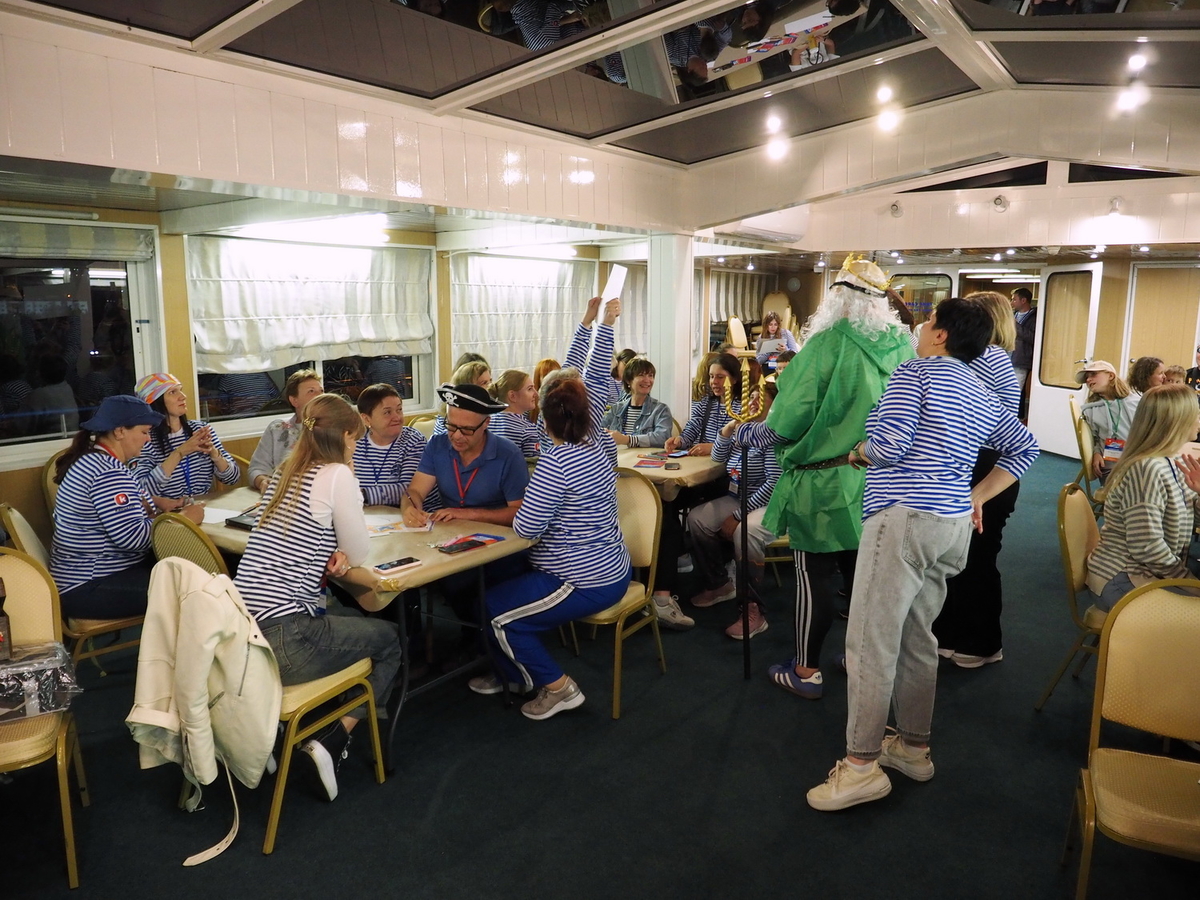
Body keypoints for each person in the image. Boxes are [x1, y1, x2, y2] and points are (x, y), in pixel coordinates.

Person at [806, 296, 1038, 812]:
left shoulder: (915, 373)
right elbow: (1026, 448)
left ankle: (861, 767)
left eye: (929, 320)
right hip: (950, 528)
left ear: (941, 335)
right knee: (917, 638)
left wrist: (858, 452)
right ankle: (912, 748)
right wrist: (976, 496)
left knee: (869, 644)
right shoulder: (980, 388)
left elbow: (889, 446)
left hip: (903, 519)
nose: (921, 326)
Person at [733, 256, 914, 701]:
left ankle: (805, 670)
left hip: (825, 482)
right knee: (863, 579)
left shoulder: (827, 343)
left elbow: (785, 423)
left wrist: (746, 434)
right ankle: (858, 659)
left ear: (840, 298)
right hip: (880, 480)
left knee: (813, 579)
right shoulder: (903, 345)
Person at [469, 297, 632, 720]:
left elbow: (526, 528)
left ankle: (558, 687)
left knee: (497, 612)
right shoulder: (594, 435)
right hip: (609, 565)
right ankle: (515, 673)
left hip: (583, 578)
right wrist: (596, 324)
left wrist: (598, 323)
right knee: (496, 582)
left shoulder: (556, 462)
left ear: (543, 416)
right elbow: (582, 375)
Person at [234, 393, 401, 803]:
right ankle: (334, 736)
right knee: (390, 641)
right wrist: (349, 474)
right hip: (287, 639)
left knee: (348, 615)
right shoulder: (337, 474)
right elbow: (358, 552)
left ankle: (276, 730)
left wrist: (332, 547)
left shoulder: (285, 471)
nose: (356, 446)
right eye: (355, 439)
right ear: (345, 436)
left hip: (243, 635)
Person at [50, 394, 205, 618]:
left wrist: (155, 505)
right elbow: (133, 538)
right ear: (120, 431)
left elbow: (126, 511)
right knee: (199, 587)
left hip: (88, 575)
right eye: (144, 432)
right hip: (90, 584)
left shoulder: (95, 460)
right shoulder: (108, 473)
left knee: (187, 568)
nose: (148, 439)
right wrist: (184, 519)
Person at [931, 292, 1022, 668]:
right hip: (983, 462)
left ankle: (984, 643)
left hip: (989, 466)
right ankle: (951, 633)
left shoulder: (985, 357)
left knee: (977, 558)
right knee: (959, 557)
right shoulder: (991, 357)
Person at [1086, 384, 1200, 616]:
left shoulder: (1173, 460)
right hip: (1122, 575)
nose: (1199, 420)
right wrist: (1189, 581)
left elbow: (1193, 517)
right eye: (1196, 414)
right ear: (1177, 421)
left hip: (1150, 569)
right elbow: (1147, 547)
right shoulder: (1147, 469)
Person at [689, 378, 780, 640]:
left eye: (760, 399)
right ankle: (719, 583)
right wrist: (729, 428)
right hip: (738, 495)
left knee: (745, 533)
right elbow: (718, 457)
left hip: (766, 502)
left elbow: (773, 483)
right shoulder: (744, 429)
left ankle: (753, 609)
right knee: (697, 519)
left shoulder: (772, 433)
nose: (753, 402)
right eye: (751, 397)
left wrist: (739, 516)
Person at [131, 373, 240, 500]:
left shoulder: (200, 430)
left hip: (204, 506)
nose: (183, 396)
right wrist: (180, 452)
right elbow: (142, 491)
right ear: (155, 402)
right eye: (173, 392)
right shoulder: (145, 439)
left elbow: (233, 478)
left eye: (180, 390)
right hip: (167, 509)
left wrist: (214, 454)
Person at [352, 382, 428, 506]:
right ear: (366, 419)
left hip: (410, 514)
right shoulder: (355, 443)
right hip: (367, 514)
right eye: (387, 412)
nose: (397, 417)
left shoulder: (414, 441)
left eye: (399, 410)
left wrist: (362, 495)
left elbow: (409, 490)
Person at [247, 369, 323, 492]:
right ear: (294, 401)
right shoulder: (277, 428)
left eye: (321, 391)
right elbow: (256, 468)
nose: (320, 396)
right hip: (281, 495)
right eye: (311, 391)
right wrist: (262, 482)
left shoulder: (332, 429)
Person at [1077, 360, 1139, 483]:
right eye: (1086, 377)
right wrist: (1096, 453)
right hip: (1109, 463)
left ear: (1110, 376)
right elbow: (1093, 438)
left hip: (1136, 460)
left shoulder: (1136, 403)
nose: (1088, 380)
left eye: (1093, 374)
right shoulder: (1090, 409)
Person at [602, 357, 673, 448]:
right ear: (628, 380)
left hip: (644, 457)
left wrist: (627, 439)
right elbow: (598, 430)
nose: (647, 380)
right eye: (641, 375)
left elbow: (662, 438)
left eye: (650, 375)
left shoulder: (661, 410)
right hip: (616, 455)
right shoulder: (616, 409)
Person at [488, 369, 545, 457]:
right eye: (529, 389)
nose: (536, 393)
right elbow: (533, 464)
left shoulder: (487, 422)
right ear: (512, 396)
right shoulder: (526, 429)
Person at [432, 361, 492, 436]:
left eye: (490, 381)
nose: (490, 386)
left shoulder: (486, 415)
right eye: (484, 383)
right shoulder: (447, 418)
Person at [1010, 287, 1036, 418]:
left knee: (1014, 392)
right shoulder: (1013, 314)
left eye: (1014, 299)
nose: (1012, 302)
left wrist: (1015, 325)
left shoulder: (1034, 317)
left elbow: (1033, 337)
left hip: (1021, 360)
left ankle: (1013, 419)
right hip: (1007, 358)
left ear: (1023, 300)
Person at [531, 357, 561, 423]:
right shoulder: (530, 405)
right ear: (538, 379)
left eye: (555, 375)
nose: (551, 379)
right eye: (546, 375)